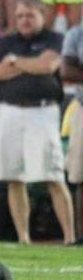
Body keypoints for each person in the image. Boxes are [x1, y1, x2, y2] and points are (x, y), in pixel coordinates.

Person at [0, 0, 75, 245]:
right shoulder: (5, 42)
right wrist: (32, 64)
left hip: (42, 112)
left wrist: (16, 63)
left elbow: (48, 66)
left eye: (29, 15)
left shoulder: (55, 39)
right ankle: (23, 238)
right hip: (8, 112)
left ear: (43, 15)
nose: (23, 21)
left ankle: (69, 237)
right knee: (13, 176)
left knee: (53, 174)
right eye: (19, 16)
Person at [61, 22, 83, 245]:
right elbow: (67, 70)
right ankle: (80, 237)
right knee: (80, 176)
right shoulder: (77, 33)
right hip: (82, 107)